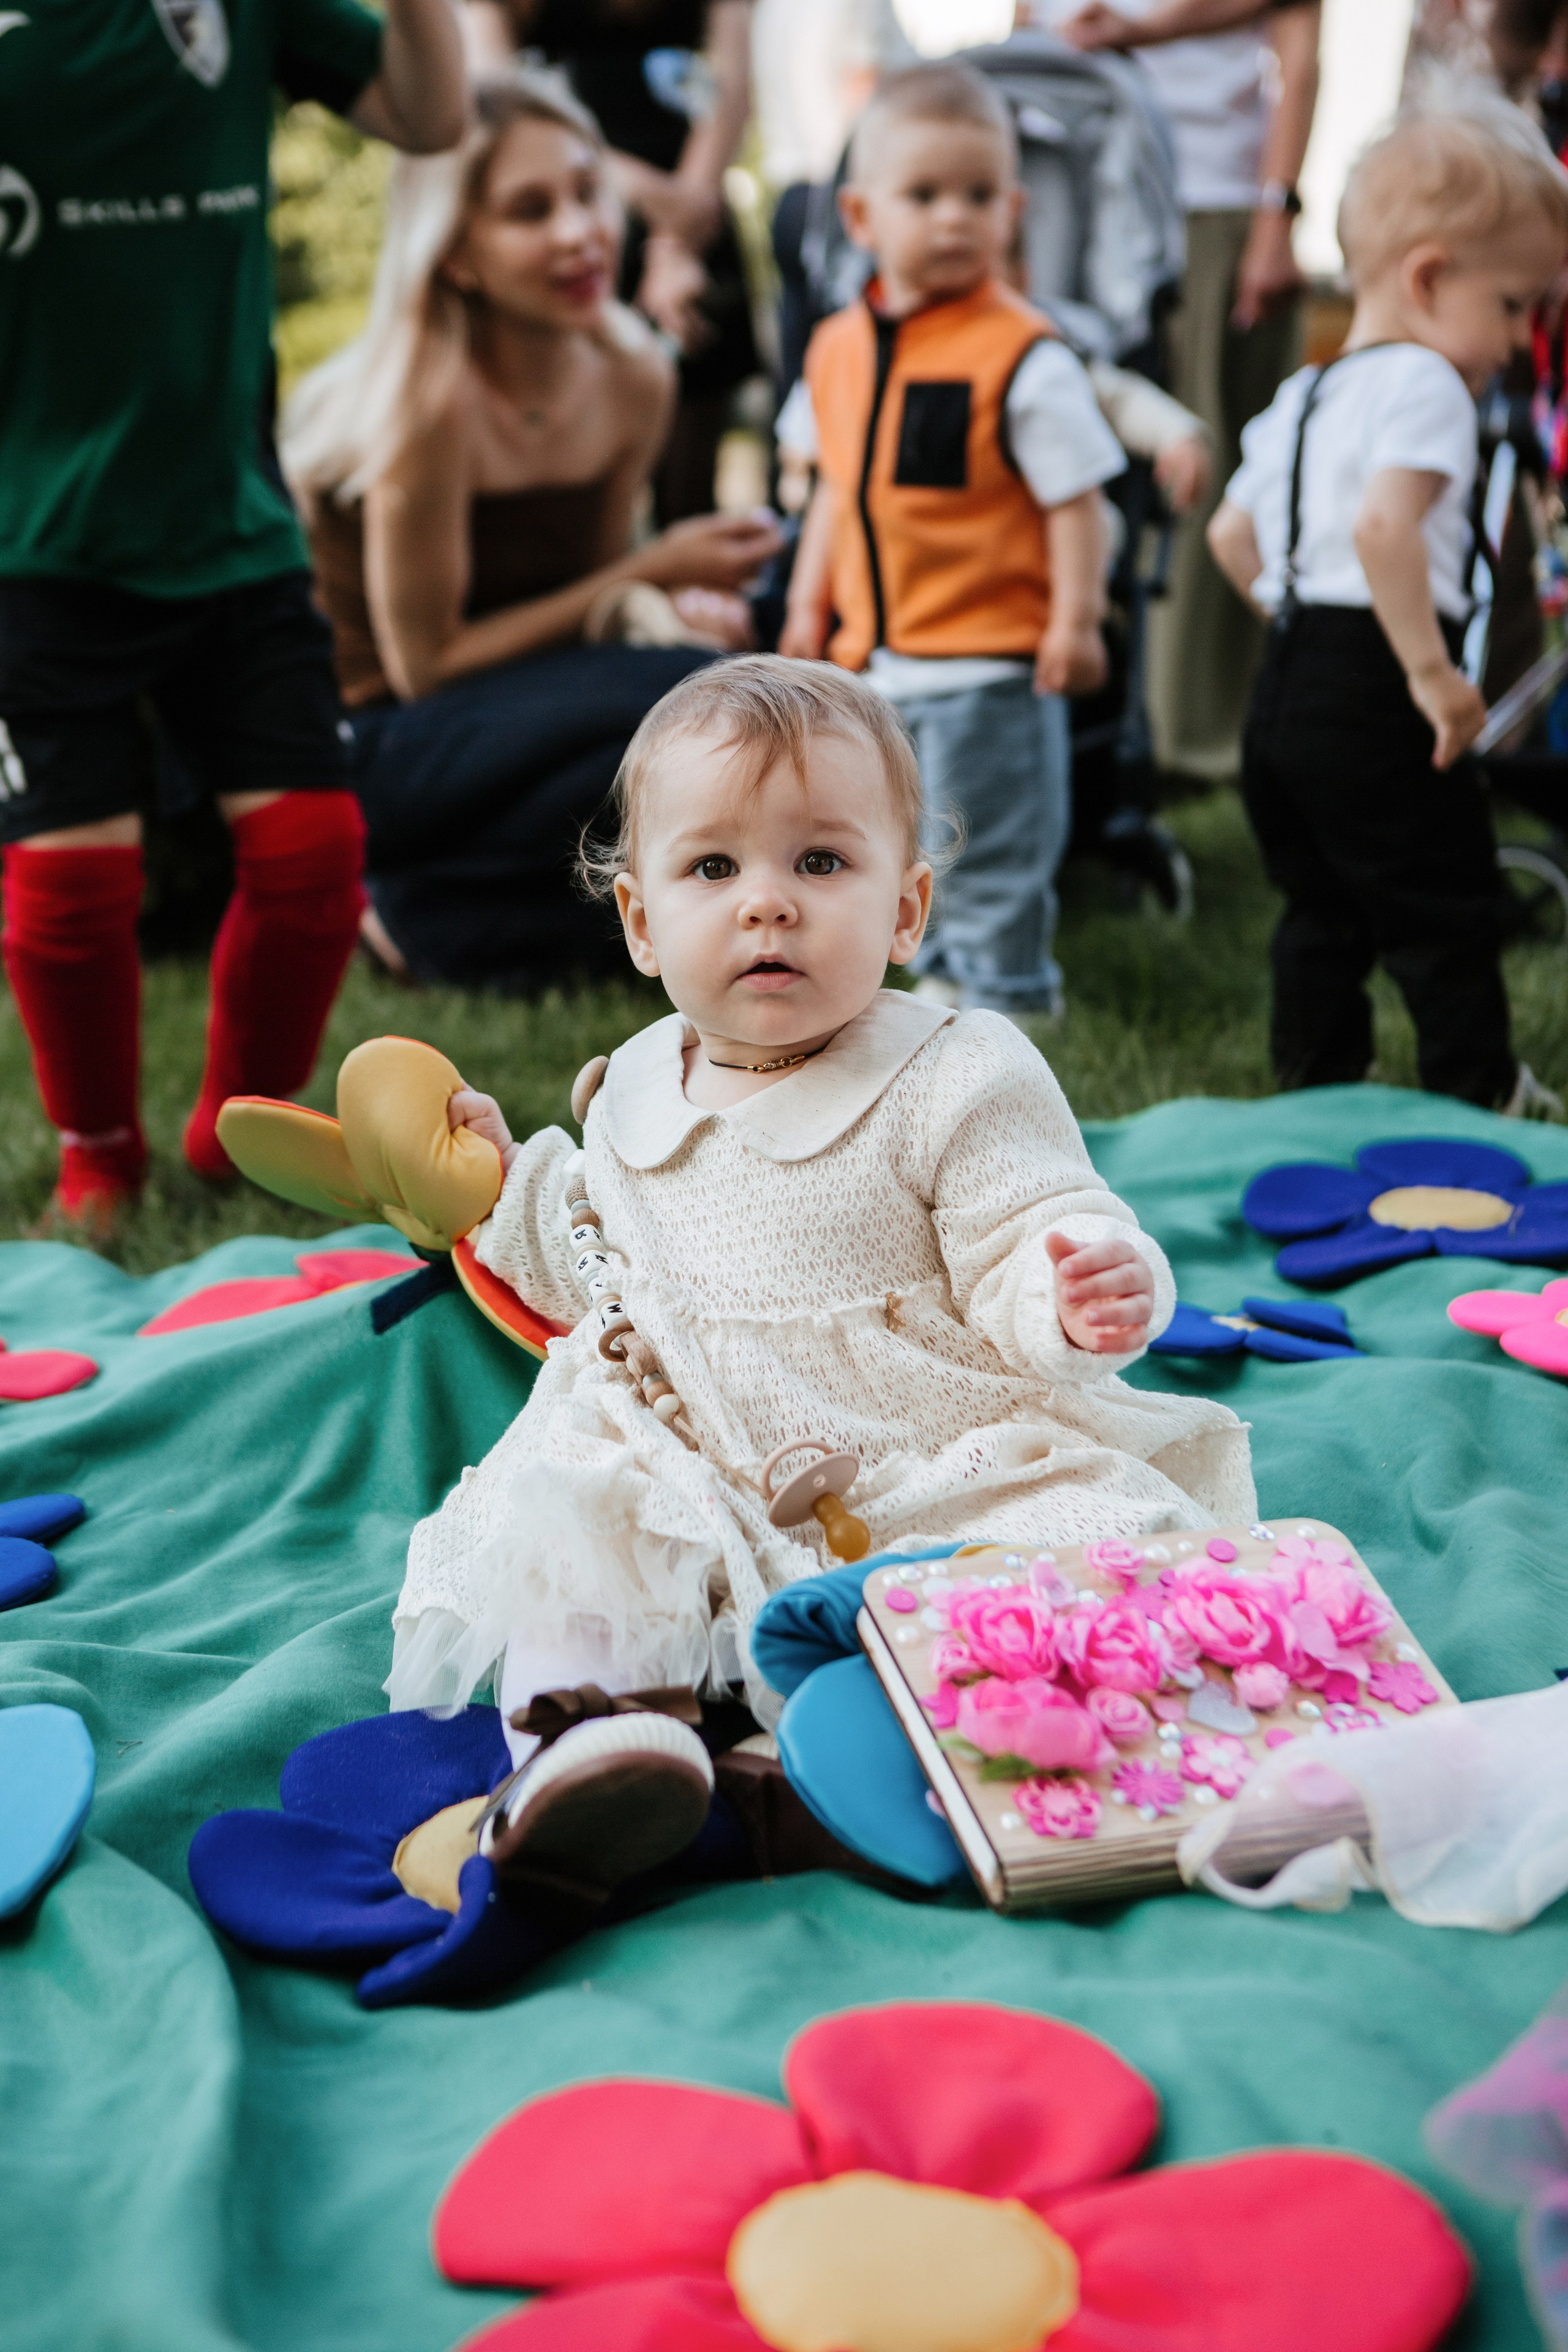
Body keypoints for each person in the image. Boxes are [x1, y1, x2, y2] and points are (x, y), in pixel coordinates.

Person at [374, 655, 1253, 1891]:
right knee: (576, 1548)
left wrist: (1070, 1286)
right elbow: (583, 1255)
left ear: (906, 911)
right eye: (713, 869)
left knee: (1057, 1552)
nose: (767, 905)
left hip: (914, 1440)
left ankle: (866, 1749)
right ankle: (596, 1751)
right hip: (681, 1449)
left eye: (820, 863)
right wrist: (489, 1183)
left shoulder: (952, 1073)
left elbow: (1028, 1221)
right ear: (639, 920)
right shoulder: (631, 1086)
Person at [0, 0, 466, 1232]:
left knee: (315, 858)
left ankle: (234, 1128)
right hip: (30, 536)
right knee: (67, 881)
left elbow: (431, 114)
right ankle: (99, 1157)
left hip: (230, 519)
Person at [283, 72, 781, 990]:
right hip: (386, 744)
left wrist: (663, 607)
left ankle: (427, 920)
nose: (578, 231)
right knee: (693, 706)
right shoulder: (428, 413)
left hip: (515, 724)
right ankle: (417, 901)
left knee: (732, 708)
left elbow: (580, 627)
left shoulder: (636, 378)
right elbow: (424, 669)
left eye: (589, 192)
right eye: (529, 210)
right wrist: (654, 569)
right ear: (457, 252)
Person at [1207, 99, 1568, 1114]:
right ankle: (1483, 1089)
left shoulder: (1303, 395)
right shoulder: (1429, 386)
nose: (1513, 341)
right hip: (1378, 686)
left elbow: (1230, 539)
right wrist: (1428, 673)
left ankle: (1313, 1089)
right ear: (1428, 277)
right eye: (1509, 307)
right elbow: (1384, 530)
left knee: (1319, 908)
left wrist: (1297, 624)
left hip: (1285, 689)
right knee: (1442, 898)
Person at [777, 62, 1126, 1021]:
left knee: (996, 846)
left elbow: (1076, 502)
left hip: (990, 665)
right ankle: (940, 997)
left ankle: (1012, 1002)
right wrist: (809, 606)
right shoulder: (836, 351)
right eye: (924, 195)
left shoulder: (1022, 354)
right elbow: (836, 493)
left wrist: (1077, 619)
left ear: (1012, 210)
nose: (953, 219)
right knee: (900, 842)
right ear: (861, 217)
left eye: (979, 196)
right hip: (877, 667)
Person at [1060, 0, 1321, 785]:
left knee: (1204, 465)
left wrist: (1276, 216)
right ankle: (1107, 710)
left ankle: (1194, 728)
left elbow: (1299, 54)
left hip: (1216, 195)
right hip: (1090, 191)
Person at [464, 0, 760, 519]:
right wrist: (641, 199)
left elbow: (732, 87)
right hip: (576, 202)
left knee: (690, 474)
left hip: (694, 213)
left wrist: (675, 242)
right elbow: (500, 104)